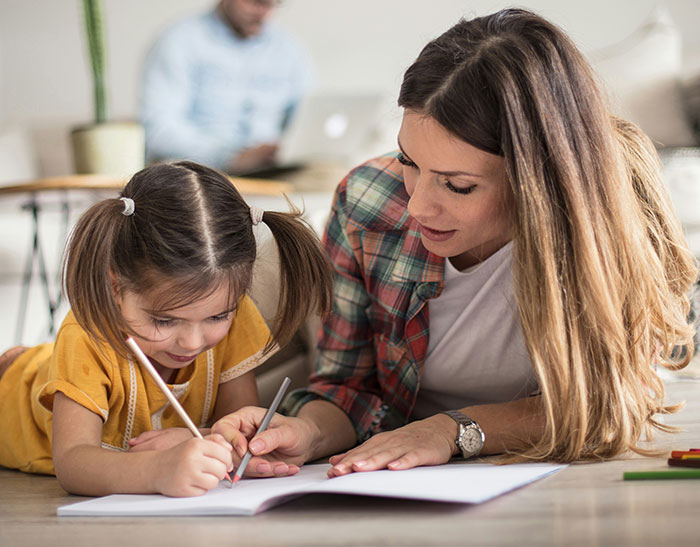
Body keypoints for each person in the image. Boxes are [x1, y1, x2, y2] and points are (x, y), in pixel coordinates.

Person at [211, 8, 698, 478]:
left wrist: (453, 431)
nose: (418, 206)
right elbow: (349, 387)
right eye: (408, 161)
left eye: (457, 185)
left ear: (536, 180)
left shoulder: (613, 212)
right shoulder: (366, 201)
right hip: (405, 474)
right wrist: (305, 432)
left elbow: (611, 406)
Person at [0, 161, 331, 496]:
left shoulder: (237, 317)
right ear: (116, 287)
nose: (191, 342)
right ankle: (18, 362)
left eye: (217, 317)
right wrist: (159, 469)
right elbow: (73, 463)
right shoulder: (87, 335)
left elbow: (233, 429)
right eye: (164, 320)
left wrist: (207, 441)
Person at [141, 0, 315, 174]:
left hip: (273, 173)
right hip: (202, 176)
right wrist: (229, 158)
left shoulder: (288, 50)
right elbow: (158, 131)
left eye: (273, 3)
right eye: (256, 2)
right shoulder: (179, 41)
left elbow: (305, 120)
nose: (264, 12)